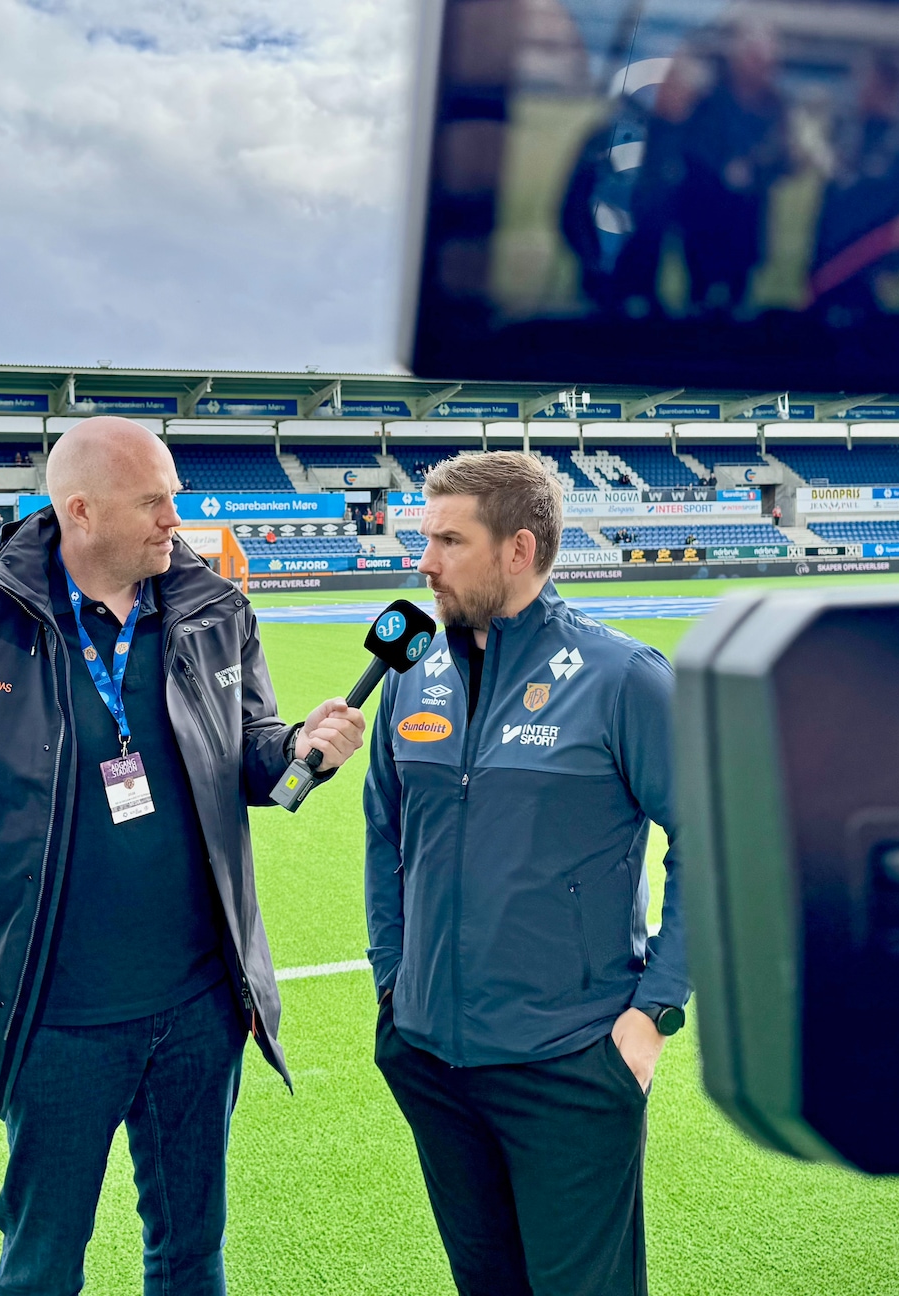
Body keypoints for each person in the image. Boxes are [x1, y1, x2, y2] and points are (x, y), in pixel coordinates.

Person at [0, 416, 366, 1295]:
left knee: (189, 1252)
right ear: (82, 511)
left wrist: (301, 752)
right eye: (155, 501)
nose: (178, 515)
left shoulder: (214, 609)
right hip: (54, 1014)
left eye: (174, 494)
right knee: (43, 1261)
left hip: (200, 1007)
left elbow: (248, 752)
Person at [365, 451, 688, 1296]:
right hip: (432, 1057)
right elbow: (383, 835)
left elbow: (718, 842)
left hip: (569, 1061)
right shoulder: (411, 676)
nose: (423, 562)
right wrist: (395, 987)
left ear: (518, 550)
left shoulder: (623, 679)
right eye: (423, 538)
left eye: (447, 540)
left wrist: (652, 1013)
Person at [808, 53, 899, 325]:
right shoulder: (844, 130)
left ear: (889, 88)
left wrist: (891, 270)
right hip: (825, 270)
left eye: (866, 83)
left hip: (867, 276)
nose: (858, 90)